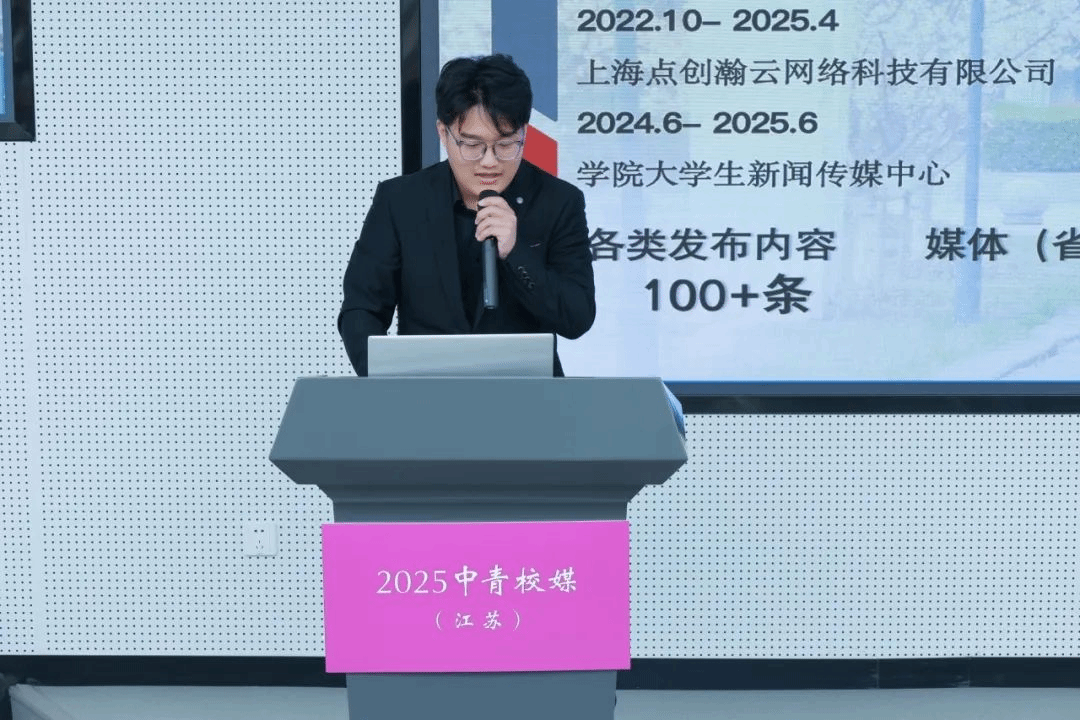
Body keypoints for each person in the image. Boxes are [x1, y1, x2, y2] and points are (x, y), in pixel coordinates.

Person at [337, 54, 596, 376]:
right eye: (472, 145)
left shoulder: (559, 201)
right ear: (443, 133)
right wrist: (385, 383)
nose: (489, 161)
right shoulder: (401, 201)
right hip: (424, 391)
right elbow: (361, 309)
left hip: (530, 394)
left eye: (506, 144)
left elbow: (577, 318)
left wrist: (515, 253)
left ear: (524, 133)